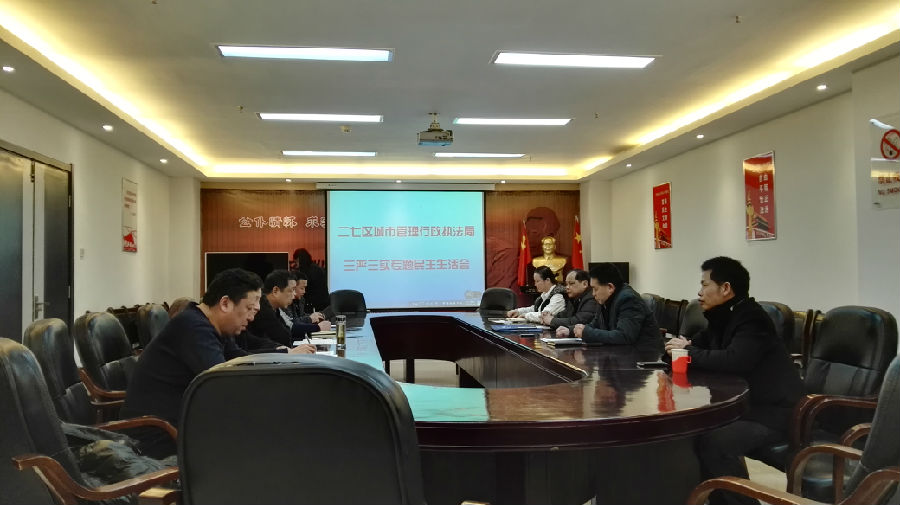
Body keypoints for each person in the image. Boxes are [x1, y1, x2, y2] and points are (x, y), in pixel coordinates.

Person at [120, 268, 312, 457]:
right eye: (248, 309)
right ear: (225, 303)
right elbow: (222, 384)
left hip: (186, 423)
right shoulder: (193, 328)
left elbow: (240, 358)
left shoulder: (209, 325)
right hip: (158, 438)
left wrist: (285, 359)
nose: (252, 317)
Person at [665, 257, 803, 505]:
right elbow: (697, 346)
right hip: (743, 407)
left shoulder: (752, 319)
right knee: (694, 432)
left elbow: (734, 360)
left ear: (726, 288)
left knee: (714, 442)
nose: (699, 292)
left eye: (704, 284)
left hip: (773, 413)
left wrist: (687, 352)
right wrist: (677, 349)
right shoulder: (721, 317)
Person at [556, 263, 661, 353]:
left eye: (595, 289)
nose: (593, 294)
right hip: (621, 354)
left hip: (643, 357)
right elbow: (595, 324)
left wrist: (587, 333)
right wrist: (571, 330)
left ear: (610, 287)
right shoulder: (604, 298)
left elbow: (624, 336)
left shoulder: (628, 299)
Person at [248, 269, 330, 348]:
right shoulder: (262, 308)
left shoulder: (276, 308)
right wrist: (317, 327)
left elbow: (288, 330)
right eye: (292, 290)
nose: (294, 294)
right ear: (275, 291)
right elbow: (285, 335)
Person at [292, 248, 329, 313]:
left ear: (299, 259)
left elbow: (306, 291)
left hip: (314, 306)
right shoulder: (317, 268)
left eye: (296, 262)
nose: (296, 265)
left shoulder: (307, 272)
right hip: (324, 305)